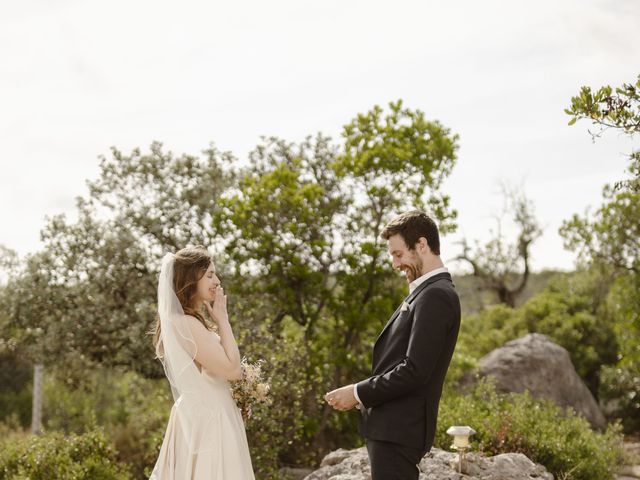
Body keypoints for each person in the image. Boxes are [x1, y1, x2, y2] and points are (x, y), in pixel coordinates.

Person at [325, 210, 461, 480]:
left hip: (400, 432)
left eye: (398, 254)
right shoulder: (426, 291)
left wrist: (358, 392)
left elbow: (414, 370)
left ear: (421, 245)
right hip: (391, 431)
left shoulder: (436, 295)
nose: (394, 263)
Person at [149, 246, 255, 480]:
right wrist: (223, 320)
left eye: (215, 274)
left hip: (203, 413)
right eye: (209, 275)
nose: (217, 280)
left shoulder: (185, 322)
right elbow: (232, 370)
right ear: (190, 279)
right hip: (210, 419)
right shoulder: (187, 323)